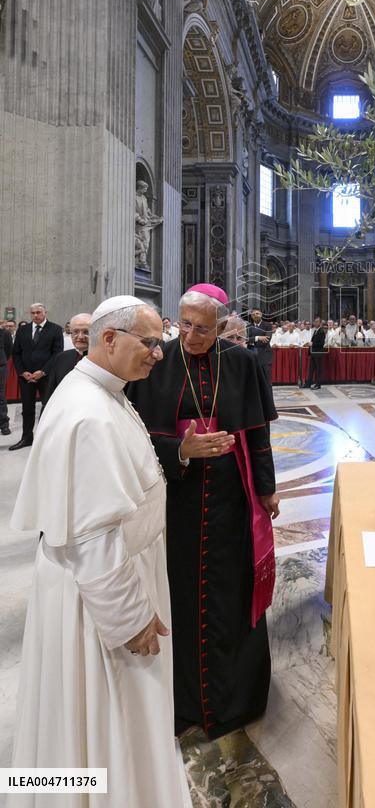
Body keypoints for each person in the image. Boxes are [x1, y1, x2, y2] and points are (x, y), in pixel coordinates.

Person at [10, 295, 191, 808]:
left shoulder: (103, 390)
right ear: (109, 339)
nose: (159, 354)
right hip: (101, 605)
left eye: (162, 343)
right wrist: (130, 619)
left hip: (110, 580)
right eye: (150, 343)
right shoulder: (89, 412)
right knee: (108, 716)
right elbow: (92, 535)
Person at [126, 283, 279, 739]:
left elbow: (256, 433)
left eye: (203, 329)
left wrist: (267, 490)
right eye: (185, 325)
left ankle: (236, 699)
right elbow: (135, 440)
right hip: (178, 497)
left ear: (223, 327)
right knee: (182, 592)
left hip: (231, 496)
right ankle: (185, 700)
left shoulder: (243, 363)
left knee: (231, 590)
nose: (191, 336)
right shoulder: (156, 364)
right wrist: (182, 450)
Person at [10, 303, 64, 450]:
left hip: (46, 376)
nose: (35, 315)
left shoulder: (56, 329)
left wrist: (43, 371)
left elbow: (57, 353)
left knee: (47, 407)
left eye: (38, 312)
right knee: (27, 409)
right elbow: (16, 353)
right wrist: (22, 372)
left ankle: (45, 439)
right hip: (26, 377)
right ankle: (27, 438)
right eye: (32, 313)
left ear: (45, 312)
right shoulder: (23, 330)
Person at [43, 312, 92, 403]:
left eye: (86, 332)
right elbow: (51, 393)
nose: (80, 337)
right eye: (76, 332)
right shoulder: (61, 358)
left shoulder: (104, 360)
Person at [247, 309, 274, 390]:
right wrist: (258, 337)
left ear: (261, 314)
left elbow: (267, 339)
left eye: (257, 313)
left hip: (265, 356)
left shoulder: (267, 325)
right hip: (252, 355)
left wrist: (252, 341)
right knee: (253, 380)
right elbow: (246, 339)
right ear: (251, 316)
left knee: (266, 381)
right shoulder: (248, 327)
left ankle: (268, 400)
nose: (256, 315)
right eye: (253, 314)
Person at [304, 317, 326, 388]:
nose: (315, 323)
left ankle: (318, 384)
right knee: (311, 370)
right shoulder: (315, 331)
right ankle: (308, 383)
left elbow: (321, 343)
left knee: (318, 370)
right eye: (315, 321)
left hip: (318, 353)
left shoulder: (321, 331)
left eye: (317, 322)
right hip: (313, 353)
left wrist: (312, 344)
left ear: (320, 323)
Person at [0, 323, 13, 434]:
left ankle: (4, 425)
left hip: (0, 368)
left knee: (1, 397)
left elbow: (9, 350)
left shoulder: (5, 333)